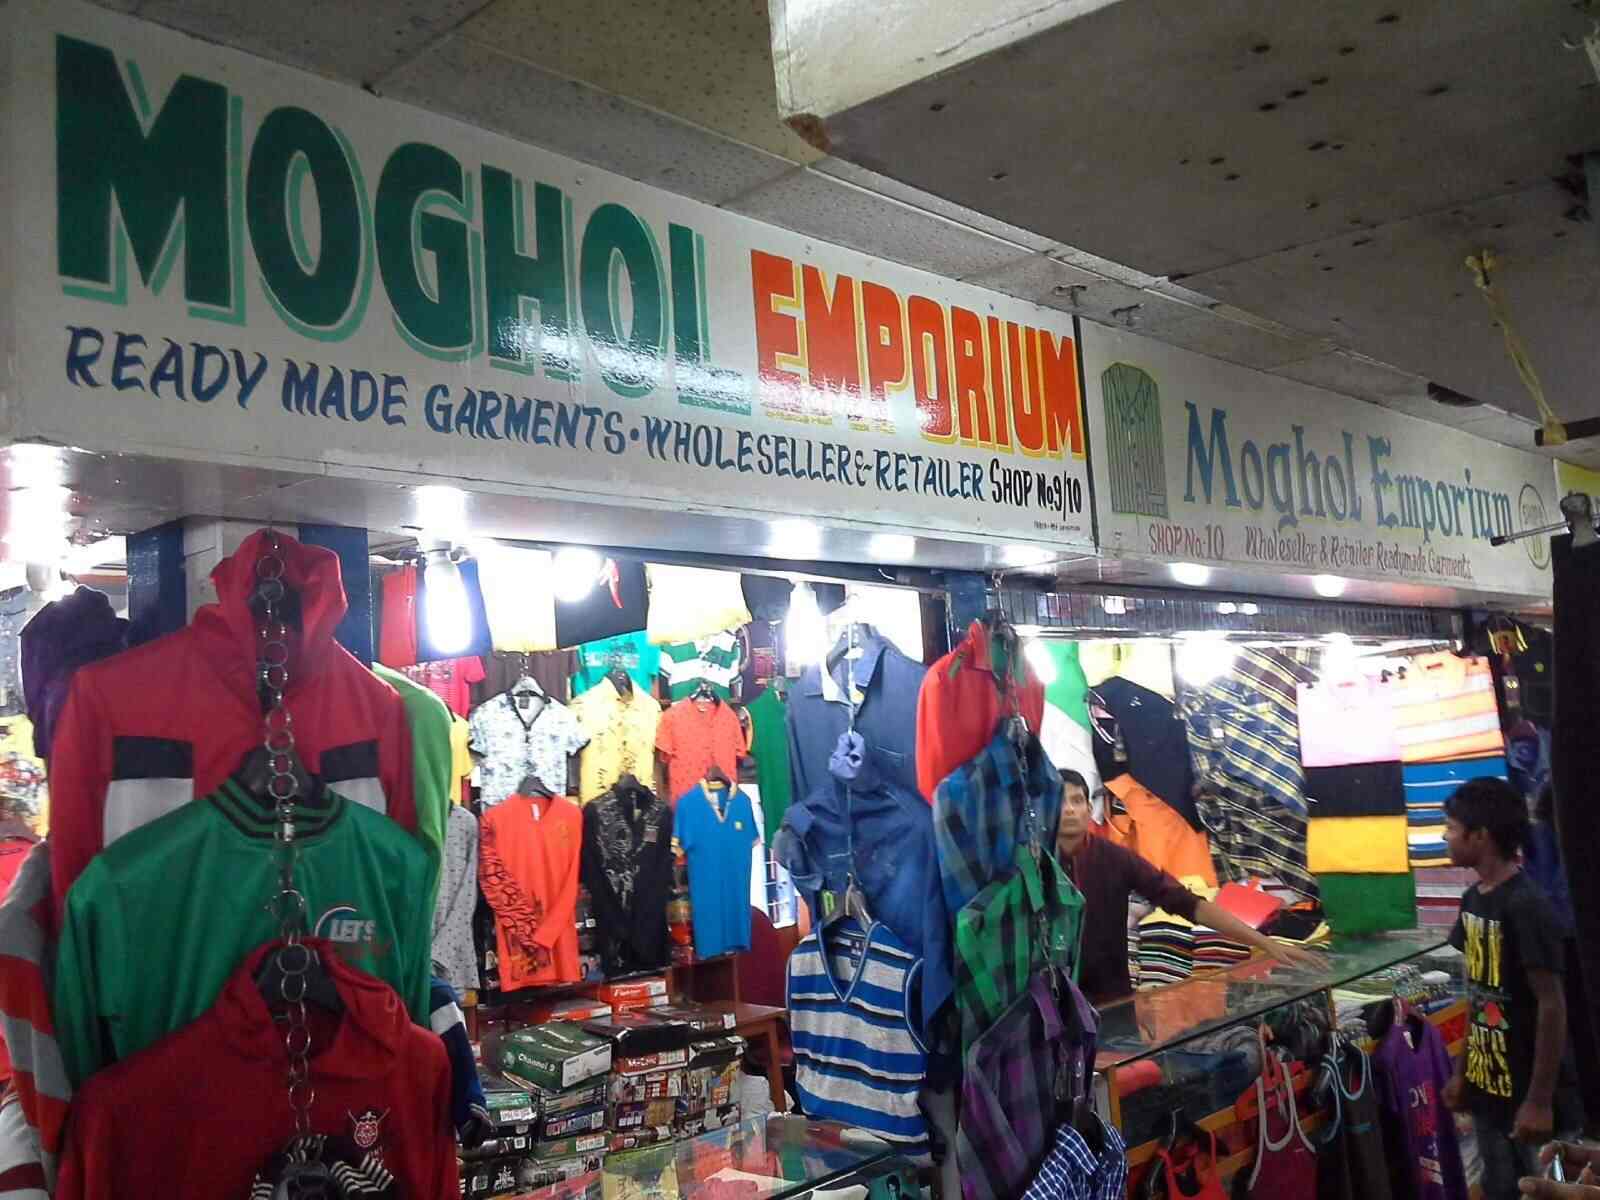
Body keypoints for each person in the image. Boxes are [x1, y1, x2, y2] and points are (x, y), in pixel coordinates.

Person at [1053, 769, 1322, 1003]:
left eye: (1077, 800)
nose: (1069, 809)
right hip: (1052, 1005)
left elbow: (1187, 903)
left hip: (1110, 1002)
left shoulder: (1115, 859)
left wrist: (1266, 944)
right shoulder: (1036, 864)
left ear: (1088, 808)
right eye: (1060, 801)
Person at [1440, 777, 1568, 1199]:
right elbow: (1477, 996)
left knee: (1543, 1187)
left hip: (1528, 1090)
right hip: (1487, 1086)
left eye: (1452, 827)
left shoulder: (1526, 905)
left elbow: (1552, 1004)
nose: (1445, 836)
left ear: (1480, 836)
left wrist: (1540, 1100)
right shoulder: (1473, 900)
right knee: (1500, 1188)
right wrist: (1463, 1073)